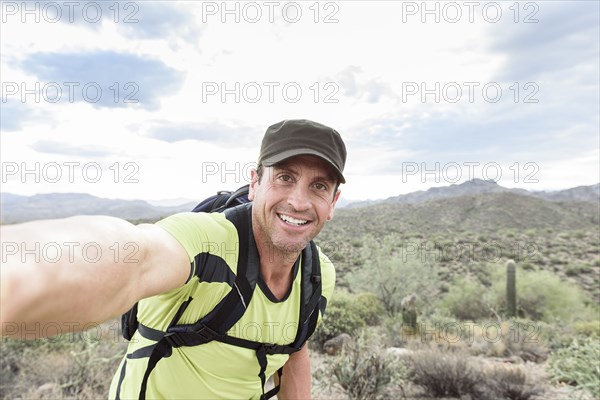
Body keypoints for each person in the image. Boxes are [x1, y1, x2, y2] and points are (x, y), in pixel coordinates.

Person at [0, 119, 347, 399]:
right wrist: (17, 272)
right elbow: (132, 258)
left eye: (318, 186)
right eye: (285, 177)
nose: (299, 202)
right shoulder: (208, 241)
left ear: (333, 202)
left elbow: (293, 350)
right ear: (255, 183)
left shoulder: (318, 275)